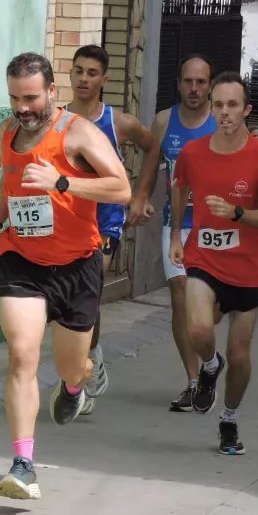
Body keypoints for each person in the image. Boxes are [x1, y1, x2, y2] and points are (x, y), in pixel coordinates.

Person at [0, 52, 131, 500]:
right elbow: (12, 184)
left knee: (68, 363)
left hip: (77, 266)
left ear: (51, 93)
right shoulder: (9, 133)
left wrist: (63, 182)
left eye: (30, 98)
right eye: (14, 98)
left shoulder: (78, 133)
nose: (22, 108)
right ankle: (23, 463)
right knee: (22, 354)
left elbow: (120, 186)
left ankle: (76, 382)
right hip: (22, 260)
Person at [169, 71, 258, 455]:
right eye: (217, 105)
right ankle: (208, 365)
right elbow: (180, 188)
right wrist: (175, 235)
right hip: (203, 258)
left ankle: (230, 418)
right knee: (199, 330)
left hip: (247, 268)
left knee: (240, 355)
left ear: (247, 110)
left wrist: (238, 213)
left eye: (232, 105)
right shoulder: (193, 152)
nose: (223, 112)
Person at [64, 45, 159, 402]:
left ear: (104, 79)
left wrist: (141, 195)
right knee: (71, 297)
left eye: (92, 73)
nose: (84, 79)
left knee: (87, 290)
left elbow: (154, 147)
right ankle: (92, 355)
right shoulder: (57, 119)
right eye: (78, 71)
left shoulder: (119, 123)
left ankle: (86, 367)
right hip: (68, 223)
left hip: (106, 224)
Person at [142, 55, 217, 412]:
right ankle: (194, 380)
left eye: (201, 82)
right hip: (176, 226)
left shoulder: (222, 123)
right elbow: (151, 166)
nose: (194, 89)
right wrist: (140, 198)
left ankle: (210, 364)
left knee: (208, 309)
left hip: (215, 229)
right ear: (179, 83)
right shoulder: (163, 121)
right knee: (180, 297)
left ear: (210, 85)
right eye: (188, 81)